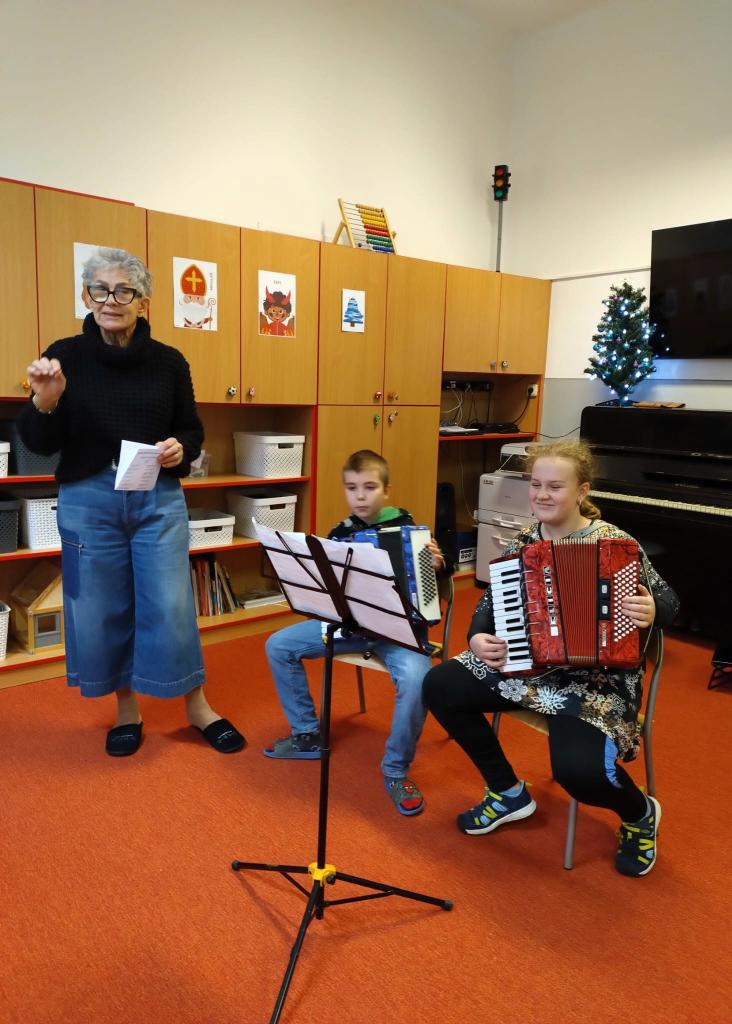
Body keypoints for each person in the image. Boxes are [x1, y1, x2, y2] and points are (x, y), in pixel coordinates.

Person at [17, 247, 245, 757]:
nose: (110, 300)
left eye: (124, 290)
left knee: (172, 603)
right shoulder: (64, 356)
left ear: (143, 301)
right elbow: (38, 442)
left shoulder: (169, 362)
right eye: (100, 289)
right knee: (102, 608)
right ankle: (127, 710)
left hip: (155, 495)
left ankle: (196, 705)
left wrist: (182, 448)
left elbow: (191, 430)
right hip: (88, 499)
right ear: (86, 296)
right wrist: (45, 401)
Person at [423, 440, 679, 876]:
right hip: (530, 666)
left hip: (596, 683)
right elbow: (489, 605)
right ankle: (507, 791)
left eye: (555, 487)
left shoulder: (615, 543)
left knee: (579, 774)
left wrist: (652, 610)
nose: (542, 494)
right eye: (536, 485)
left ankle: (639, 813)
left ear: (582, 491)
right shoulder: (525, 540)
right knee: (440, 684)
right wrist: (477, 636)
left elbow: (670, 601)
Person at [264, 449, 447, 815]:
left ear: (386, 490)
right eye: (352, 488)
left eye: (369, 487)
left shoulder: (410, 530)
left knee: (417, 681)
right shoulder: (340, 534)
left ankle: (395, 769)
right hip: (351, 628)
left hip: (399, 633)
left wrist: (438, 565)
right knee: (278, 645)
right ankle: (307, 733)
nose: (360, 496)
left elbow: (435, 581)